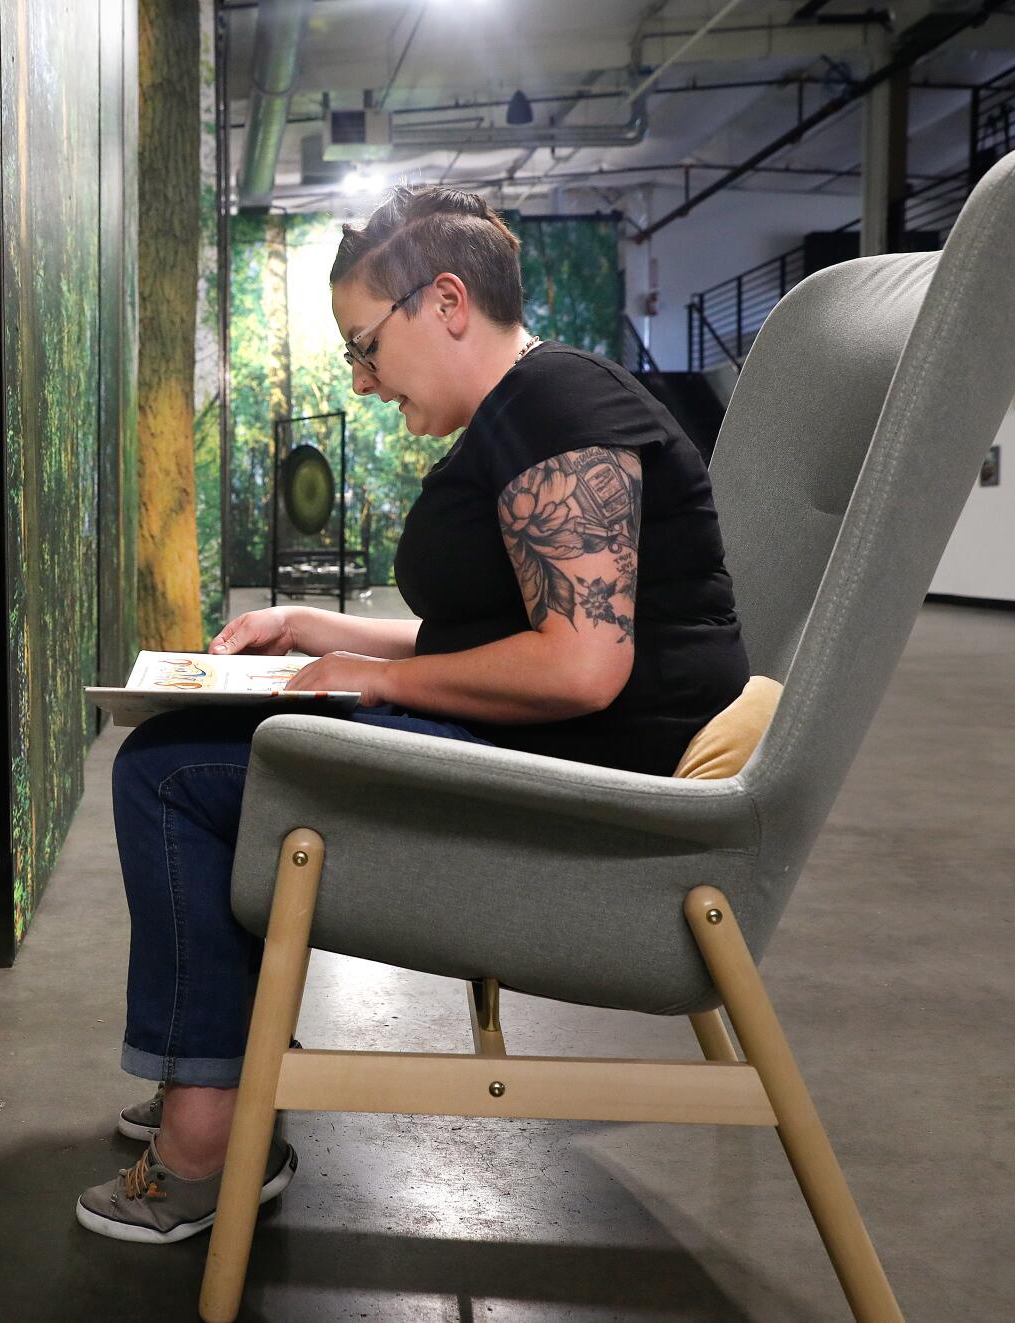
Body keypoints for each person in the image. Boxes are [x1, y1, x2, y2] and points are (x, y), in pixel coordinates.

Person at [76, 187, 749, 1243]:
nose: (357, 377)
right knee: (198, 756)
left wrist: (374, 680)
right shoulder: (533, 409)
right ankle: (214, 1078)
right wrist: (319, 631)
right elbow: (509, 634)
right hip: (561, 758)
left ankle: (204, 1144)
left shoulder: (553, 408)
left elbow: (576, 667)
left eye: (362, 344)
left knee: (170, 772)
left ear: (443, 301)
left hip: (580, 799)